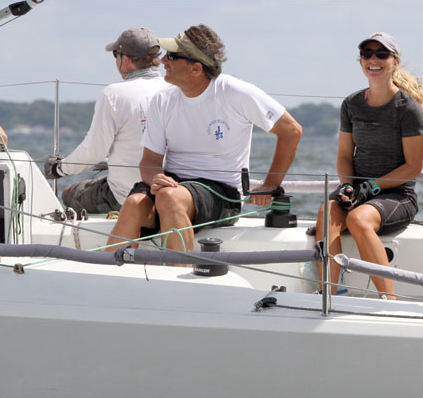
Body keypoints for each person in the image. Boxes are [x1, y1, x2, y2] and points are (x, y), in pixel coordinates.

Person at [105, 24, 302, 253]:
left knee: (169, 197)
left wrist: (270, 184)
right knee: (133, 204)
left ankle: (176, 279)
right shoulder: (162, 100)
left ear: (196, 68)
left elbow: (291, 130)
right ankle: (111, 276)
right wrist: (155, 177)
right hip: (174, 185)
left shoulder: (234, 91)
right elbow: (149, 160)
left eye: (171, 56)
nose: (162, 61)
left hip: (222, 192)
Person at [314, 32, 423, 300]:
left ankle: (388, 300)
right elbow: (345, 155)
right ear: (361, 62)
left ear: (395, 61)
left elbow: (413, 167)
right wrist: (347, 185)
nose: (373, 59)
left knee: (358, 219)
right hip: (358, 190)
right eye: (367, 54)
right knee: (327, 212)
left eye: (381, 54)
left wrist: (372, 187)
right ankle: (329, 293)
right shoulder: (352, 104)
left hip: (398, 196)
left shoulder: (408, 109)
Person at [43, 27, 169, 214]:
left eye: (115, 56)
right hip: (171, 194)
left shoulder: (115, 94)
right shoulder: (175, 90)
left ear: (125, 59)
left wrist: (60, 169)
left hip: (127, 196)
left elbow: (93, 151)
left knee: (71, 194)